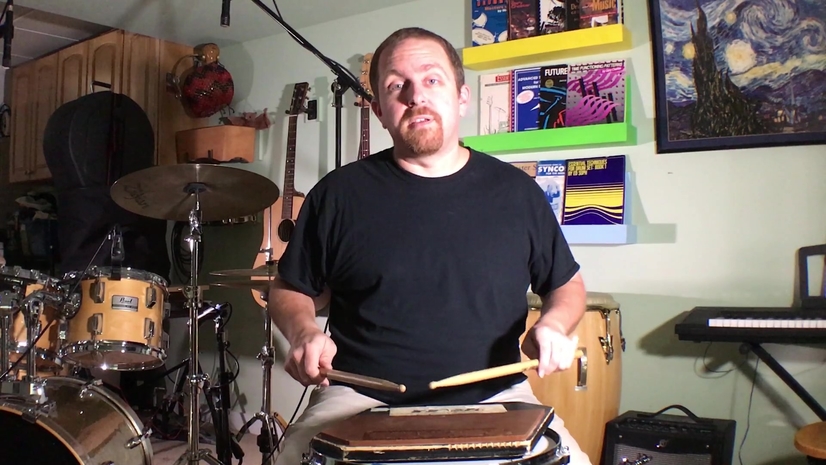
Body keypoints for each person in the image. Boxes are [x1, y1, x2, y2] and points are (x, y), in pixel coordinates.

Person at [268, 27, 592, 465]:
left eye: (431, 79)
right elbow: (289, 288)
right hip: (360, 397)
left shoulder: (517, 193)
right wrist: (304, 332)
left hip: (495, 395)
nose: (415, 95)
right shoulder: (337, 195)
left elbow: (567, 285)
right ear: (380, 111)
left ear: (462, 97)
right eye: (395, 85)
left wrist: (554, 323)